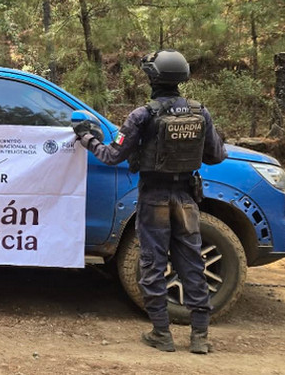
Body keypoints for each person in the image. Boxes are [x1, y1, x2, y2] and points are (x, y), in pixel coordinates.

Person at [72, 50, 227, 354]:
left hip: (154, 199)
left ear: (153, 78)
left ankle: (162, 334)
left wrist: (86, 138)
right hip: (186, 198)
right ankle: (200, 337)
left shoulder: (142, 115)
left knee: (152, 265)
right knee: (192, 264)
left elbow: (112, 155)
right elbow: (216, 155)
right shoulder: (200, 112)